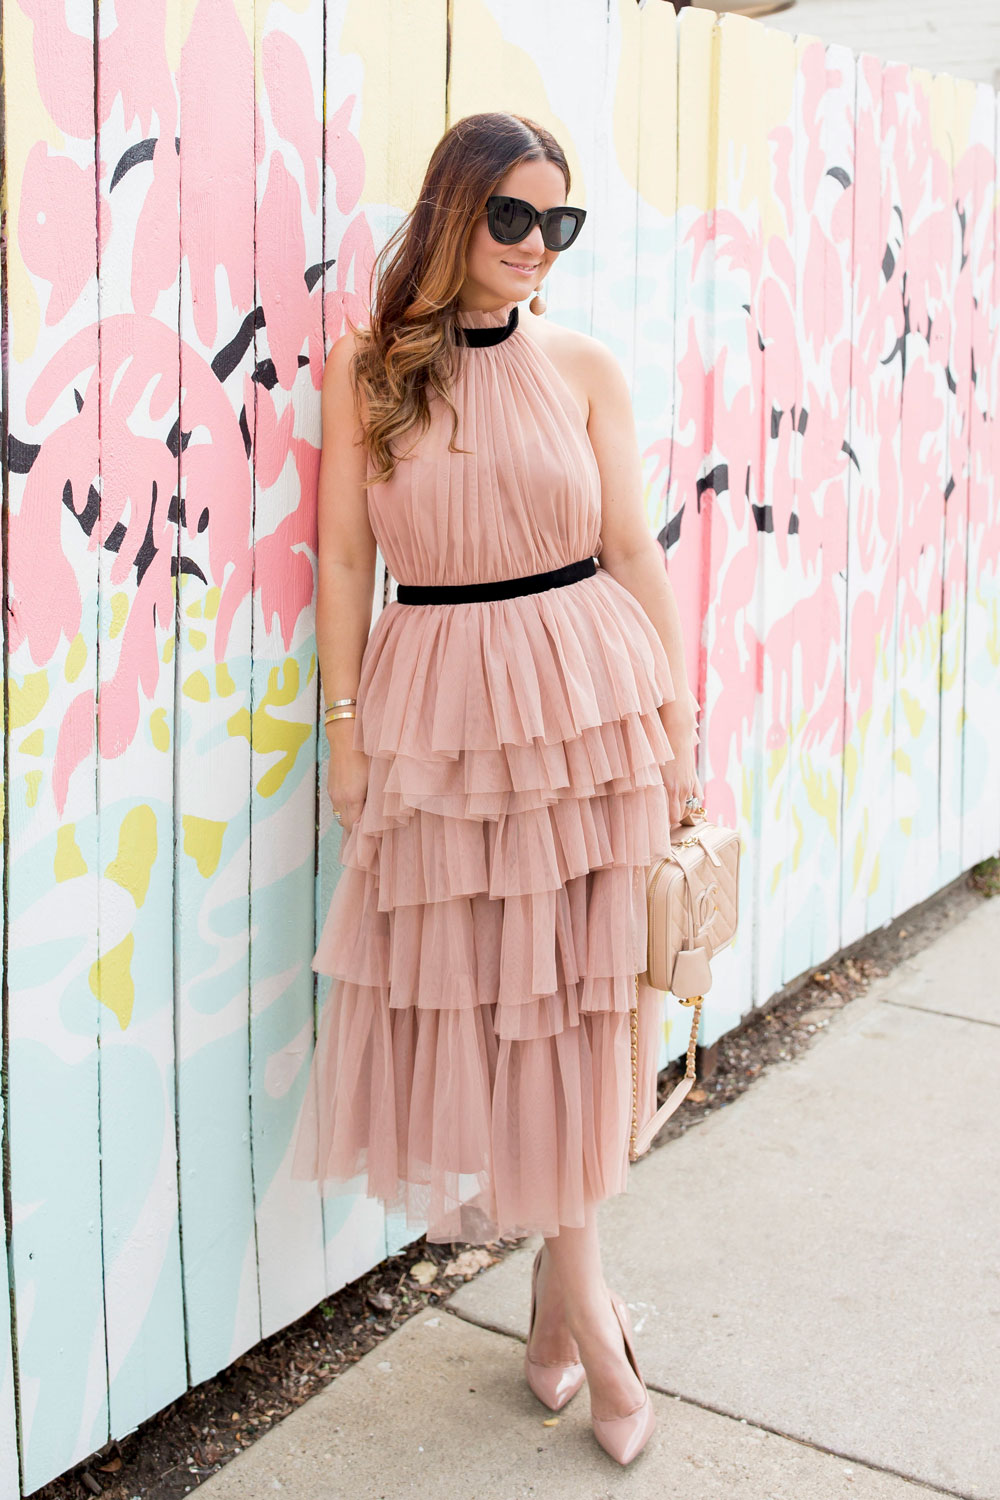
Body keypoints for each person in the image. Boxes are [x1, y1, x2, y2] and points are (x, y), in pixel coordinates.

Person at [291, 111, 702, 1466]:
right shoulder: (370, 369)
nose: (537, 247)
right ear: (454, 212)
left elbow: (632, 552)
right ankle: (578, 1313)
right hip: (444, 718)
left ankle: (573, 1304)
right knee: (495, 1007)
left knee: (584, 1014)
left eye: (559, 223)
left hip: (592, 707)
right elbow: (347, 567)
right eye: (513, 217)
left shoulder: (582, 365)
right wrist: (344, 736)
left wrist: (684, 734)